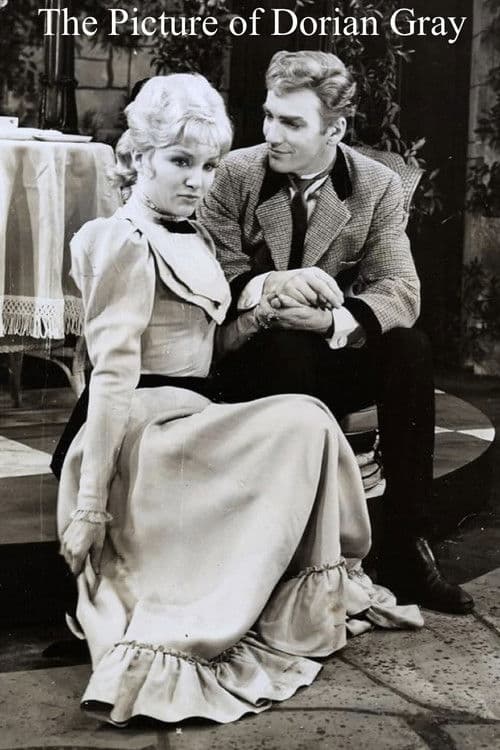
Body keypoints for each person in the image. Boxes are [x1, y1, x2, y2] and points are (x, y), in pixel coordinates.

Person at [56, 74, 422, 726]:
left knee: (308, 419)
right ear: (139, 156)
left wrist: (271, 303)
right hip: (141, 428)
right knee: (302, 418)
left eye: (207, 166)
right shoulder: (121, 238)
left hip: (193, 411)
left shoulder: (191, 236)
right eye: (179, 161)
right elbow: (110, 378)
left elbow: (211, 348)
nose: (197, 181)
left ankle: (317, 581)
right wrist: (88, 508)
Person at [198, 50, 474, 616]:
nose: (271, 134)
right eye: (269, 116)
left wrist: (331, 320)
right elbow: (217, 269)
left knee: (409, 348)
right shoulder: (235, 174)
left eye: (291, 123)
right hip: (249, 358)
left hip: (325, 350)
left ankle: (404, 545)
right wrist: (274, 287)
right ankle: (290, 557)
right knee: (283, 347)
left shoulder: (376, 185)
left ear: (335, 130)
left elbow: (401, 289)